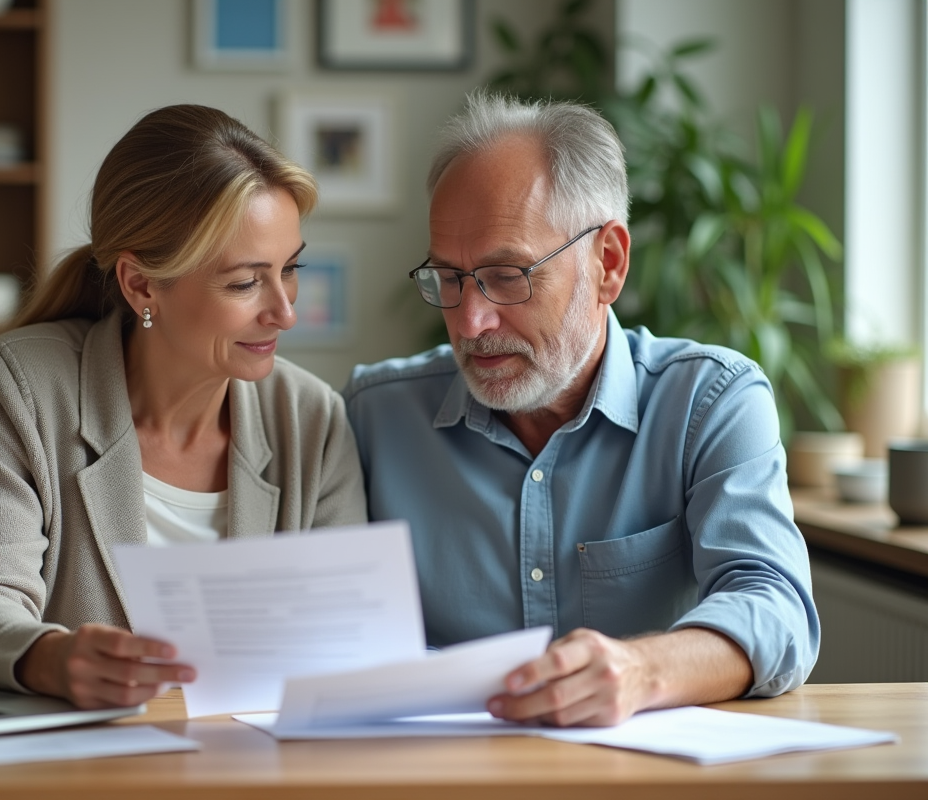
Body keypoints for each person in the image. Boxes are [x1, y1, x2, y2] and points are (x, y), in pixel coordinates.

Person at [343, 93, 818, 727]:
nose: (470, 321)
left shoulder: (709, 402)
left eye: (507, 275)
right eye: (448, 279)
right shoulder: (373, 416)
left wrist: (642, 672)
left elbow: (775, 605)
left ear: (608, 264)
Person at [0, 104, 367, 710]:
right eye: (244, 282)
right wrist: (50, 658)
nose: (285, 312)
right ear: (141, 285)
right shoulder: (24, 386)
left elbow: (347, 640)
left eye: (290, 270)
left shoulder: (310, 418)